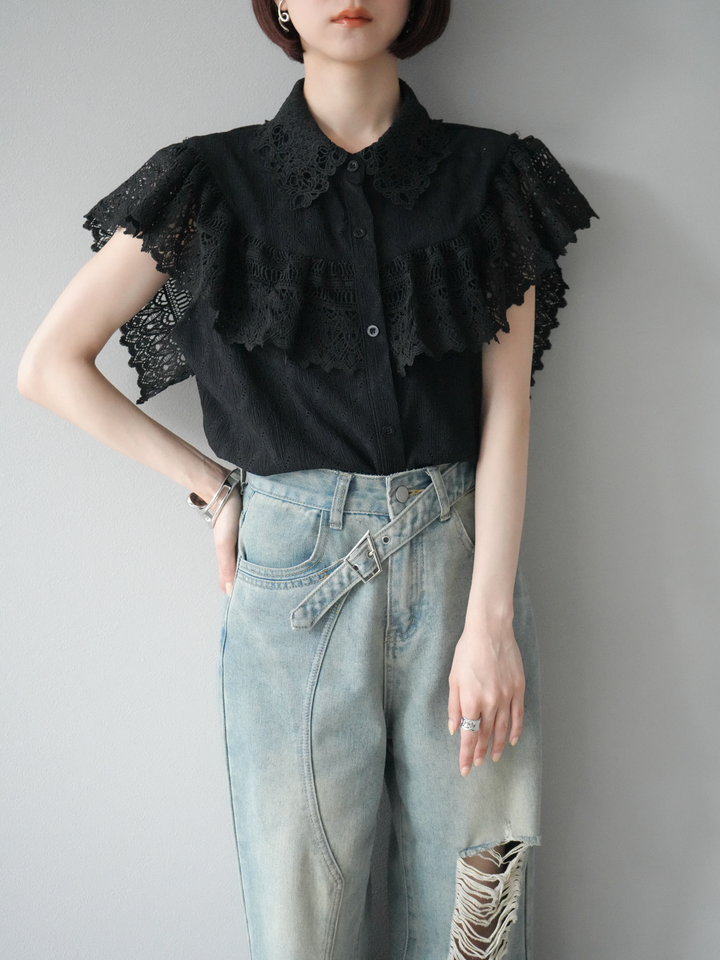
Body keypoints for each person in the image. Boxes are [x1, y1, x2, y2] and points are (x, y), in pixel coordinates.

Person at [17, 1, 595, 957]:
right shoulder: (209, 185)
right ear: (279, 3)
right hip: (291, 586)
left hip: (463, 573)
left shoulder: (493, 180)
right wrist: (215, 490)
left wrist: (490, 624)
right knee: (301, 932)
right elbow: (48, 365)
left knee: (478, 928)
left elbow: (508, 412)